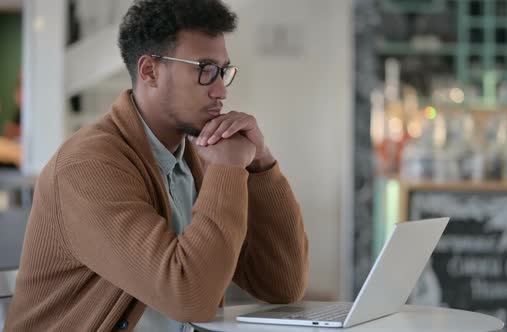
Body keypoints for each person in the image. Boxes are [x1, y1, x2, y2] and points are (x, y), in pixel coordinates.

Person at [4, 0, 308, 331]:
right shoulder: (87, 167)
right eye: (205, 70)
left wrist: (261, 164)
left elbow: (283, 285)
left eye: (222, 71)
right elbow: (189, 296)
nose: (221, 90)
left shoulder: (197, 157)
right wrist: (229, 168)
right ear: (150, 70)